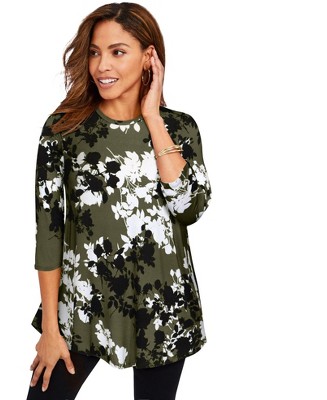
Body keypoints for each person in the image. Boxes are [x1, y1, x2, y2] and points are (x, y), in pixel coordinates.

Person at [26, 2, 212, 399]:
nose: (102, 65)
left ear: (148, 56)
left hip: (163, 307)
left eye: (118, 52)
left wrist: (153, 116)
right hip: (81, 303)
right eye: (95, 52)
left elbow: (189, 208)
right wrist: (50, 329)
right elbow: (48, 232)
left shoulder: (179, 128)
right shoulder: (65, 129)